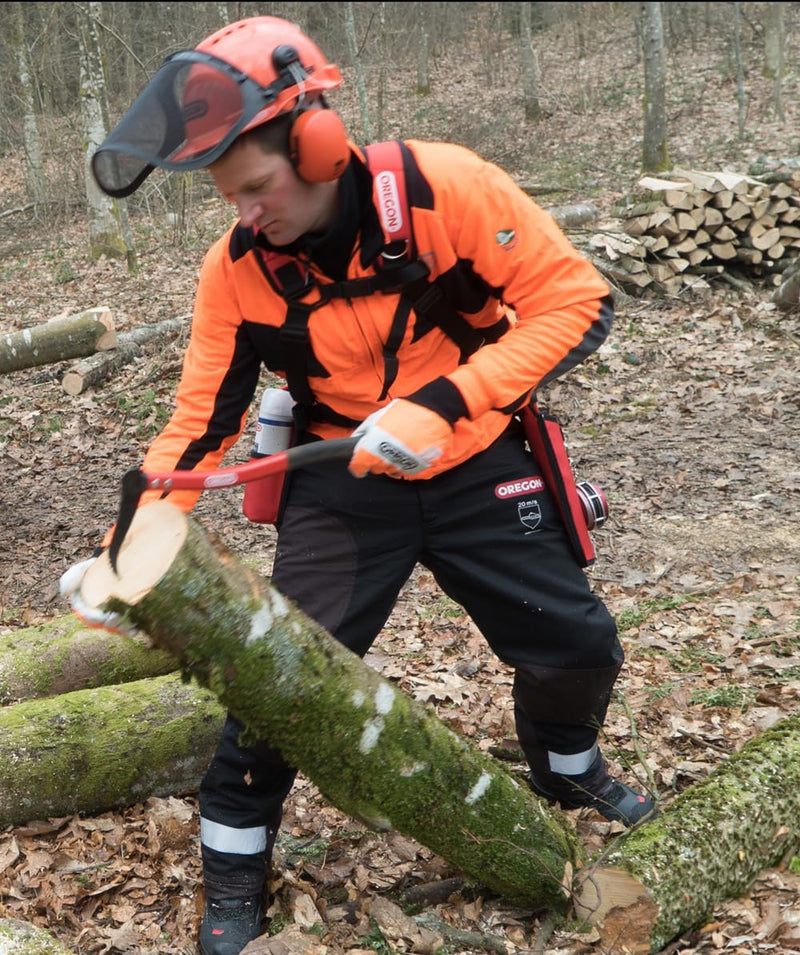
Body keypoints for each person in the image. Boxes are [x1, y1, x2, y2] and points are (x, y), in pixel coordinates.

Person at [61, 15, 656, 955]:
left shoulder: (444, 190)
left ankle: (565, 764)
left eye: (258, 186)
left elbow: (576, 301)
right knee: (281, 682)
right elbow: (198, 425)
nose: (247, 211)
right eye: (230, 196)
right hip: (342, 482)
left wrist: (451, 400)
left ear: (320, 144)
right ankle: (234, 865)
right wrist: (131, 543)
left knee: (575, 641)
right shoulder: (238, 271)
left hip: (479, 455)